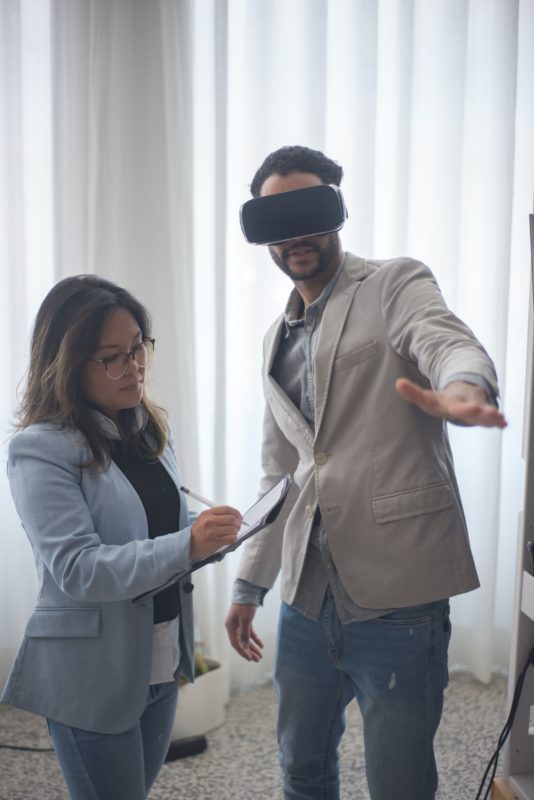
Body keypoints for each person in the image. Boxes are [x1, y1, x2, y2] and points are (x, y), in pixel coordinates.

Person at [225, 145, 507, 800]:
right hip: (305, 597)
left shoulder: (392, 284)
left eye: (309, 209)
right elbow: (282, 472)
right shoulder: (276, 339)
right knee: (300, 766)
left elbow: (443, 338)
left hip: (396, 599)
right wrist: (249, 585)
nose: (295, 232)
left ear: (338, 209)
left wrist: (464, 388)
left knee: (399, 782)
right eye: (277, 217)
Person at [2, 275, 242, 800]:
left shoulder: (148, 428)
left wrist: (207, 541)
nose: (133, 367)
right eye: (112, 357)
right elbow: (78, 570)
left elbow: (161, 540)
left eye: (138, 348)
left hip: (158, 657)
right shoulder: (38, 450)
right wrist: (188, 545)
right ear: (66, 364)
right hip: (90, 670)